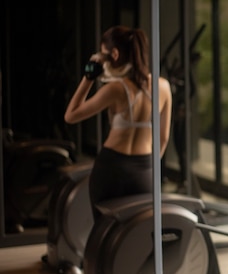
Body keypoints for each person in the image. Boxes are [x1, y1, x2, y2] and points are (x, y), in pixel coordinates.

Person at [64, 25, 172, 217]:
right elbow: (163, 138)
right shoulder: (163, 86)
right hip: (145, 169)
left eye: (102, 55)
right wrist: (148, 167)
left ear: (114, 54)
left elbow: (71, 116)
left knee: (105, 234)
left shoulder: (116, 89)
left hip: (112, 168)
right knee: (138, 233)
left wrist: (89, 76)